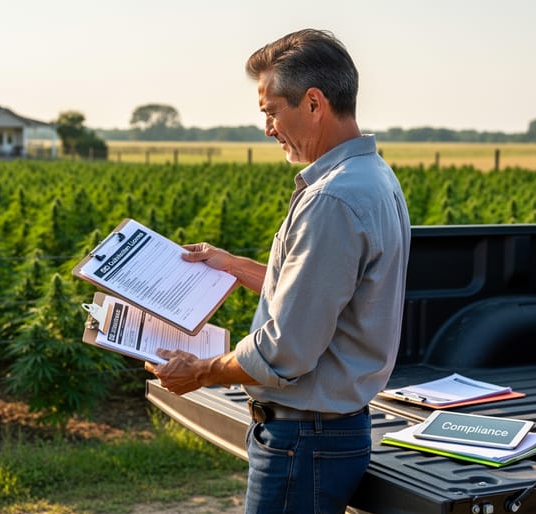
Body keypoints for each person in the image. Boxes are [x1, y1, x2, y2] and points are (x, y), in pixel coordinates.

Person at [145, 28, 411, 514]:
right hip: (322, 434)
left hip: (303, 439)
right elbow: (320, 290)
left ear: (313, 103)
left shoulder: (332, 197)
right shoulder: (372, 176)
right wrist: (231, 266)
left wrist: (199, 371)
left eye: (270, 111)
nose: (267, 127)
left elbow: (285, 350)